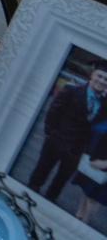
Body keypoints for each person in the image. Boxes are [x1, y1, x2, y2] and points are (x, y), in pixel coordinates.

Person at [30, 62, 107, 205]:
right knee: (40, 173)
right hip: (56, 141)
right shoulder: (72, 91)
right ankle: (28, 196)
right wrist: (51, 134)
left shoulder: (104, 103)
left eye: (106, 79)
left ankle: (48, 203)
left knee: (60, 181)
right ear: (92, 75)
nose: (102, 81)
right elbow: (54, 111)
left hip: (77, 150)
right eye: (99, 76)